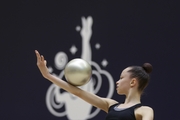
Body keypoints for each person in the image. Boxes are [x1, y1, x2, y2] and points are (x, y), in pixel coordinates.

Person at [35, 50, 154, 120]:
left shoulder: (144, 111)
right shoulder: (110, 105)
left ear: (133, 82)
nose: (117, 82)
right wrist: (48, 75)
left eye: (121, 78)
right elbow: (78, 92)